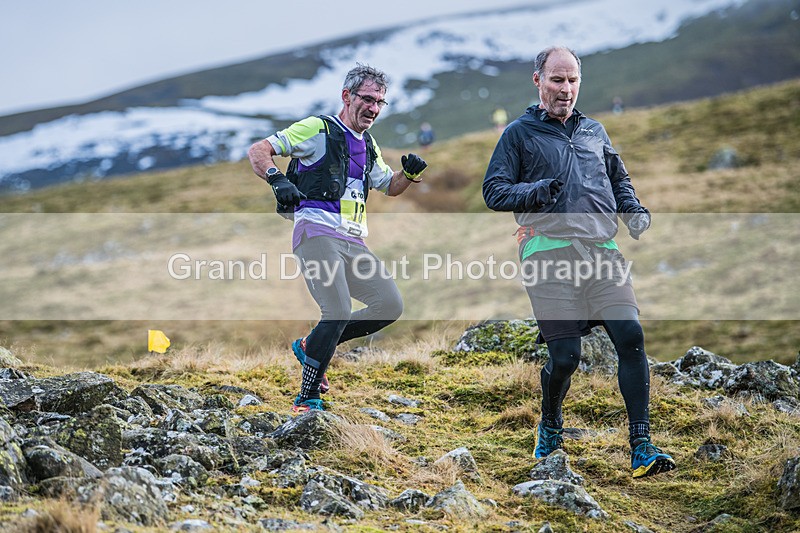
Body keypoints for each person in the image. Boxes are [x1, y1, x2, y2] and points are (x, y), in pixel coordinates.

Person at [482, 46, 675, 478]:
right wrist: (533, 192)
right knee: (566, 357)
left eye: (572, 81)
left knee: (630, 335)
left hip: (602, 252)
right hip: (546, 252)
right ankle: (550, 423)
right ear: (538, 81)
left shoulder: (595, 131)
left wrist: (634, 212)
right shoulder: (518, 134)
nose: (565, 89)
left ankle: (641, 445)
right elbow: (494, 191)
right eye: (556, 80)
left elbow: (618, 179)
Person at [247, 64, 428, 413]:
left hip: (353, 241)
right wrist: (275, 178)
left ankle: (310, 344)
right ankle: (307, 398)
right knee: (338, 309)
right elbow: (259, 150)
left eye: (380, 102)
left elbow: (389, 187)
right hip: (316, 231)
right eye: (368, 99)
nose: (374, 108)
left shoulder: (369, 144)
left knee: (390, 305)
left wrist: (410, 175)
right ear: (347, 96)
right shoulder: (317, 129)